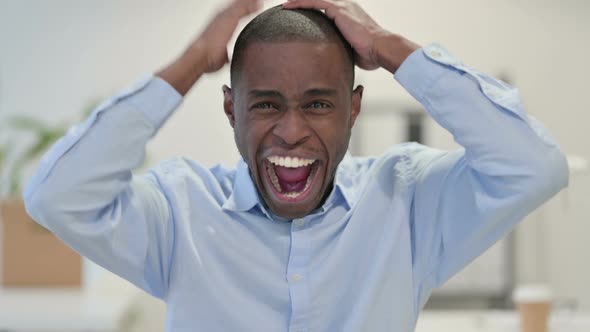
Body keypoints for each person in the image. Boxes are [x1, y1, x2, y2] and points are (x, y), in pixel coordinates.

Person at [24, 0, 568, 331]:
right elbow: (56, 196)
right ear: (231, 109)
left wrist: (388, 47)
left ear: (353, 109)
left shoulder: (407, 203)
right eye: (265, 104)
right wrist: (195, 60)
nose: (290, 130)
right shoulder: (179, 211)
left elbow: (534, 167)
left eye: (318, 103)